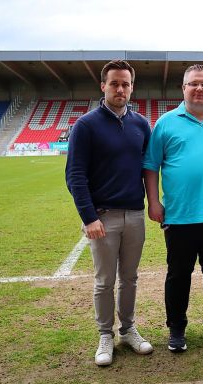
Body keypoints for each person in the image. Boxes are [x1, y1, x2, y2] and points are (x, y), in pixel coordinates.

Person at [143, 64, 203, 352]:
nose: (199, 89)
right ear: (183, 89)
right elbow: (151, 166)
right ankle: (176, 329)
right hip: (180, 216)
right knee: (178, 275)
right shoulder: (166, 123)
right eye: (193, 84)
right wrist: (153, 201)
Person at [66, 60, 153, 366]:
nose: (120, 89)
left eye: (125, 84)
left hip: (135, 215)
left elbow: (148, 170)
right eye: (114, 83)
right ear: (103, 86)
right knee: (104, 281)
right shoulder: (86, 125)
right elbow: (75, 174)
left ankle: (128, 329)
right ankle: (106, 334)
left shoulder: (141, 125)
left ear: (132, 87)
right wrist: (89, 217)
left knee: (129, 278)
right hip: (102, 217)